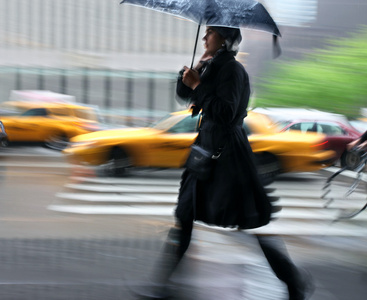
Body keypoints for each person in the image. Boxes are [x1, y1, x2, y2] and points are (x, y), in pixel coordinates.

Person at [131, 27, 313, 300]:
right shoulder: (212, 66)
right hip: (204, 151)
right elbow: (185, 95)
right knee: (184, 216)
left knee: (248, 223)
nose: (205, 38)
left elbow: (226, 113)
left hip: (227, 155)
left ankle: (293, 280)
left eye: (211, 33)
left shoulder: (234, 70)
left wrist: (198, 86)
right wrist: (196, 70)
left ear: (225, 40)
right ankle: (162, 286)